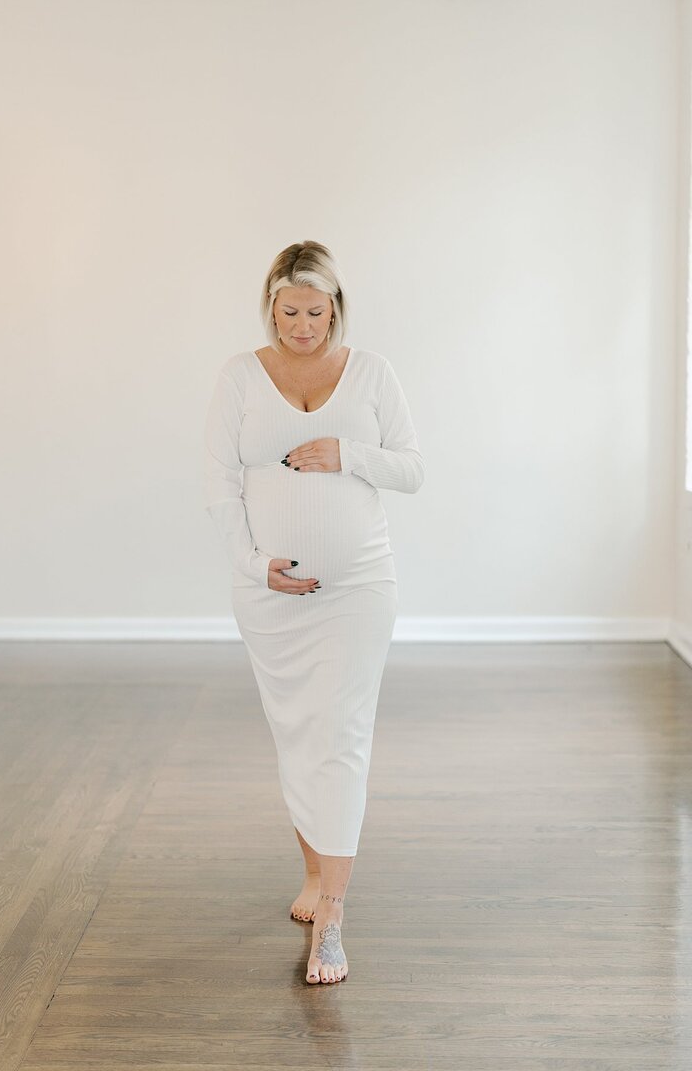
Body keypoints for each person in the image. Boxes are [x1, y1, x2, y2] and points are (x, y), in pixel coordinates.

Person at [203, 240, 424, 985]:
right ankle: (312, 871)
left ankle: (333, 911)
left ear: (337, 308)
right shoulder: (240, 376)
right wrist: (252, 565)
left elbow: (414, 469)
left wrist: (347, 452)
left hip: (360, 588)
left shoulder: (371, 373)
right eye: (289, 312)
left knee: (341, 733)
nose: (302, 326)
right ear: (271, 306)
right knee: (299, 734)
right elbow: (219, 484)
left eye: (316, 312)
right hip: (270, 595)